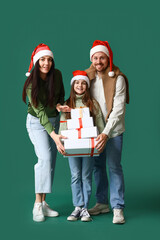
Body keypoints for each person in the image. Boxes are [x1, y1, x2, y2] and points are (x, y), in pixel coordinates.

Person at [22, 43, 69, 222]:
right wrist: (54, 136)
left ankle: (44, 203)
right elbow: (40, 112)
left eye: (49, 59)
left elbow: (59, 96)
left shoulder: (57, 75)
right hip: (36, 123)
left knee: (51, 164)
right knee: (44, 159)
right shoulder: (31, 84)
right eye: (42, 59)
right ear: (36, 62)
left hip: (54, 121)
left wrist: (59, 105)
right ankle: (36, 204)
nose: (46, 63)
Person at [85, 40, 129, 224]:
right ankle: (102, 202)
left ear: (108, 58)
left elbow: (118, 109)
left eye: (102, 57)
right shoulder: (87, 78)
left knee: (114, 167)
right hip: (94, 131)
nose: (98, 61)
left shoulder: (118, 78)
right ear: (91, 59)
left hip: (113, 131)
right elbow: (78, 97)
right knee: (97, 167)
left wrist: (106, 133)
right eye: (95, 58)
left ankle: (118, 207)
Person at [59, 70, 105, 222]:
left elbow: (99, 124)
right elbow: (63, 126)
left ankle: (85, 208)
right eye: (77, 83)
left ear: (87, 86)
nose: (80, 85)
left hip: (88, 146)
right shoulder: (67, 104)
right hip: (72, 145)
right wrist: (62, 143)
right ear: (73, 85)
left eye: (83, 83)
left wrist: (100, 140)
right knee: (75, 175)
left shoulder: (93, 104)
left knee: (86, 176)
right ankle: (77, 206)